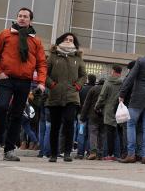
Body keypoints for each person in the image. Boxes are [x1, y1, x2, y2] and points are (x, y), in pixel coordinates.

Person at [0, 7, 48, 161]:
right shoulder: (6, 34)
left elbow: (41, 63)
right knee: (1, 107)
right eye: (19, 16)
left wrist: (41, 82)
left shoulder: (36, 40)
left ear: (30, 20)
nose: (21, 18)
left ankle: (9, 150)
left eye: (25, 16)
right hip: (6, 79)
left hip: (24, 82)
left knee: (17, 115)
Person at [44, 32, 86, 162]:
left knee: (69, 124)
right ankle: (53, 154)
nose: (68, 41)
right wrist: (52, 85)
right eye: (66, 39)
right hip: (55, 96)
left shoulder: (78, 58)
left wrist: (77, 86)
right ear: (61, 41)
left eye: (71, 40)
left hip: (71, 96)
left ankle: (67, 153)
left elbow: (83, 76)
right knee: (54, 126)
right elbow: (44, 73)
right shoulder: (53, 56)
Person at [96, 65, 125, 161]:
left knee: (109, 133)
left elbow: (102, 96)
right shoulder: (123, 83)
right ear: (120, 72)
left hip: (109, 110)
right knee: (120, 133)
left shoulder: (108, 83)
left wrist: (97, 106)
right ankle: (121, 154)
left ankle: (110, 154)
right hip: (120, 110)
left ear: (113, 71)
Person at [81, 75, 103, 160]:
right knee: (101, 135)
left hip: (93, 115)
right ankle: (100, 154)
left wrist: (82, 116)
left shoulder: (93, 89)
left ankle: (93, 152)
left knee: (93, 134)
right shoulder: (106, 89)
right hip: (103, 116)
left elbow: (86, 104)